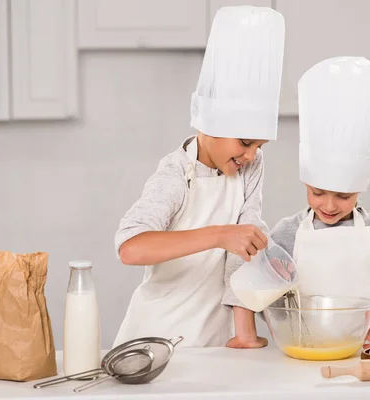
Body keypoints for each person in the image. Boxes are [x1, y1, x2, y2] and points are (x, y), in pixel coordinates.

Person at [112, 6, 285, 348]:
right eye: (245, 142)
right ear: (209, 124)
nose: (251, 154)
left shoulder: (250, 164)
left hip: (215, 340)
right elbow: (130, 248)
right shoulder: (175, 174)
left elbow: (242, 249)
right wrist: (219, 235)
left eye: (259, 145)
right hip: (156, 337)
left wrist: (244, 334)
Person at [228, 57, 370, 349]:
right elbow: (264, 295)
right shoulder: (285, 234)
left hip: (365, 355)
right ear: (306, 183)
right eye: (317, 193)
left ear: (359, 190)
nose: (329, 205)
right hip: (298, 353)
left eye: (343, 196)